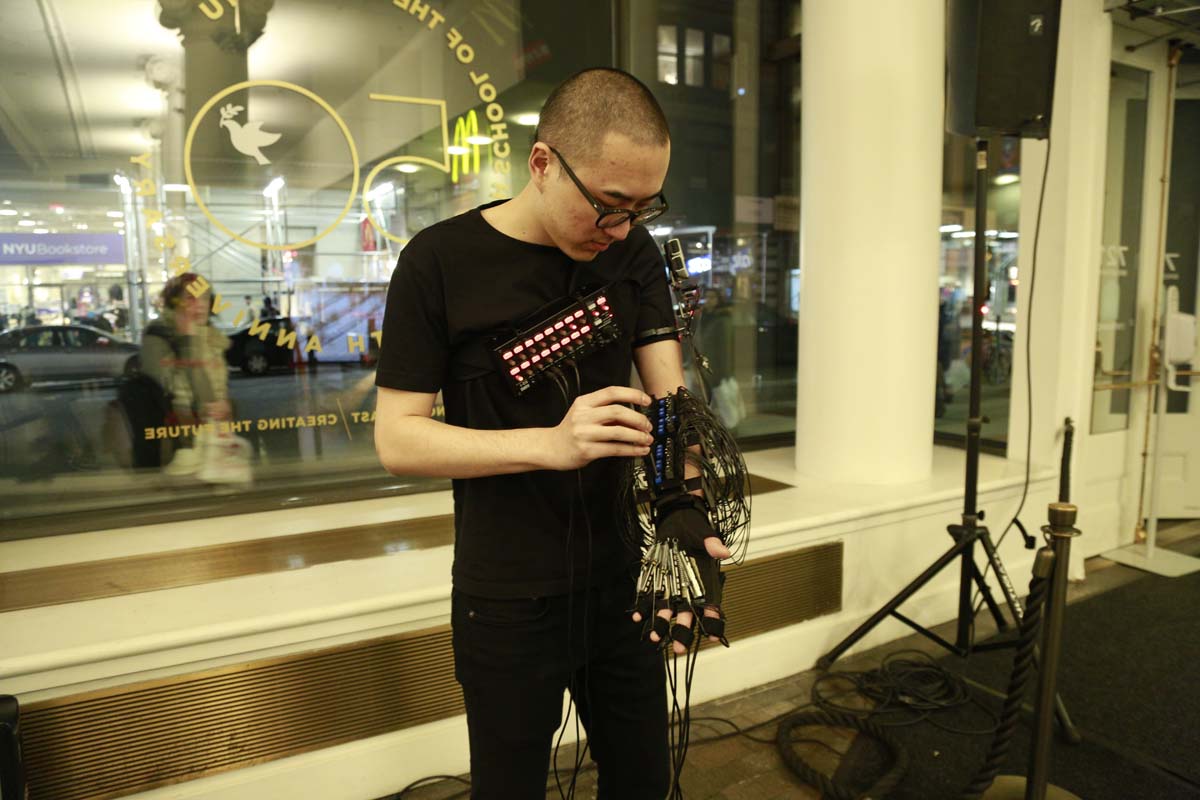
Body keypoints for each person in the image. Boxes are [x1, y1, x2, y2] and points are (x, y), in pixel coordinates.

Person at [374, 68, 731, 799]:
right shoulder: (438, 263)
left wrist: (681, 506)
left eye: (642, 208)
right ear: (541, 163)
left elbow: (671, 402)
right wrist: (551, 443)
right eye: (607, 204)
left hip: (619, 578)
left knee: (642, 781)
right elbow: (398, 439)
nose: (622, 230)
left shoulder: (630, 257)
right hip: (506, 597)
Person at [139, 273, 232, 473]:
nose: (200, 304)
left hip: (213, 443)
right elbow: (164, 388)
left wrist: (225, 406)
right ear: (175, 303)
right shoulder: (159, 337)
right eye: (191, 298)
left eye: (205, 297)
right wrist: (188, 340)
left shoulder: (212, 339)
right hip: (179, 446)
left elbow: (218, 390)